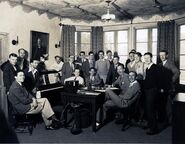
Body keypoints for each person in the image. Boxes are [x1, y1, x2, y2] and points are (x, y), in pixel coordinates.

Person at [158, 50, 180, 125]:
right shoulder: (160, 64)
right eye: (160, 55)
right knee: (163, 104)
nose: (162, 57)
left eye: (163, 55)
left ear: (167, 55)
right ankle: (164, 120)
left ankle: (171, 122)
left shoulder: (170, 63)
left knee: (168, 105)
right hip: (162, 87)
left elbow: (177, 72)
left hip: (169, 87)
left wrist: (171, 81)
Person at [143, 52, 159, 135]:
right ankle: (150, 125)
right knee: (148, 109)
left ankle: (154, 129)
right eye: (145, 58)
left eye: (148, 58)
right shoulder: (147, 68)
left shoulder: (155, 67)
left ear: (151, 58)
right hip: (147, 90)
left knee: (151, 110)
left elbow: (157, 81)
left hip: (152, 91)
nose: (146, 59)